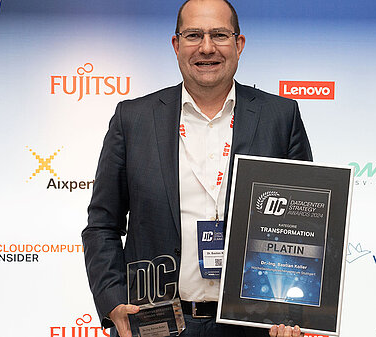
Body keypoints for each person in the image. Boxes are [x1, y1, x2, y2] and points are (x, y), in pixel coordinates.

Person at [81, 1, 312, 336]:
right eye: (194, 35)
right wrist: (112, 300)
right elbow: (102, 225)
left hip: (251, 325)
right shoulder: (133, 119)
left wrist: (295, 310)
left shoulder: (281, 116)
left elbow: (302, 225)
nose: (207, 47)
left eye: (219, 35)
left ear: (239, 44)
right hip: (155, 323)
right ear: (176, 44)